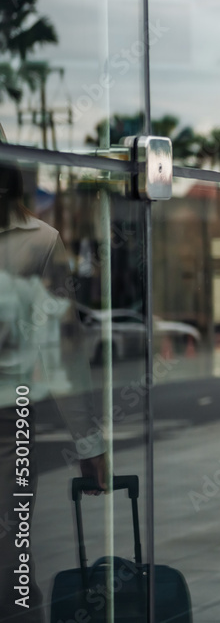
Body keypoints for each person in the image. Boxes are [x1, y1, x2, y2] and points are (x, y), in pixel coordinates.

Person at [0, 146, 106, 622]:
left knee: (10, 567)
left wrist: (88, 441)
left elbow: (63, 347)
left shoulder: (41, 242)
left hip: (9, 428)